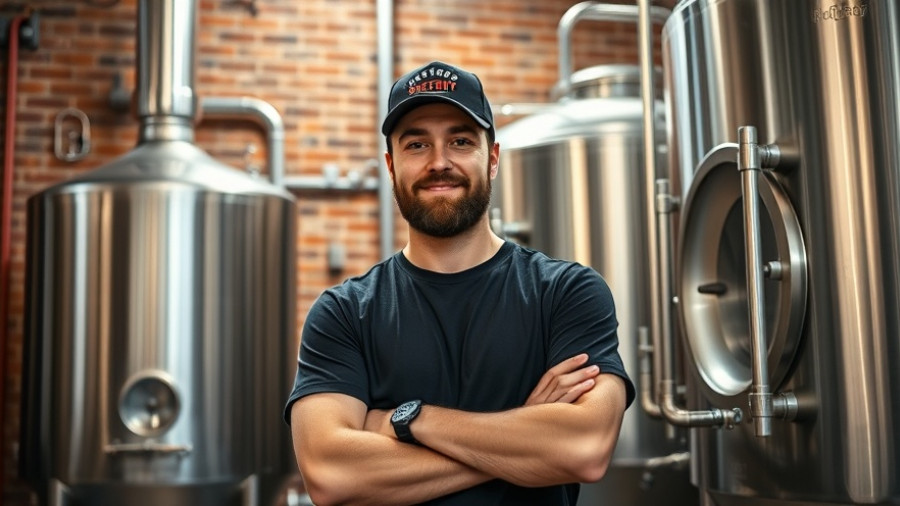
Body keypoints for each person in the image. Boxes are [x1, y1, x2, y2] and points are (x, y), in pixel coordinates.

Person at [284, 60, 635, 505]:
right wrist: (524, 434)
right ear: (391, 167)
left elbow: (583, 449)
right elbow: (330, 474)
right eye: (416, 144)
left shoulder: (565, 292)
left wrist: (408, 420)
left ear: (492, 158)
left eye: (461, 140)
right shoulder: (344, 312)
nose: (439, 162)